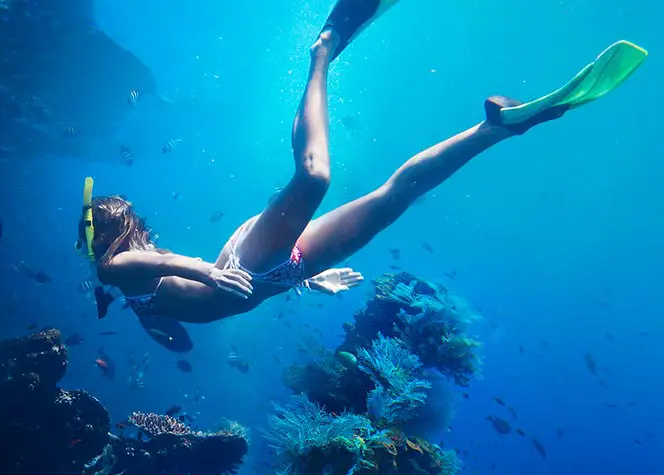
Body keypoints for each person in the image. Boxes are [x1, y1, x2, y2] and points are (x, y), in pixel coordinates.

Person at [76, 0, 646, 347]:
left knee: (315, 178)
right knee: (395, 199)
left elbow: (168, 264)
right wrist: (303, 282)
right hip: (275, 277)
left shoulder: (116, 266)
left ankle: (323, 48)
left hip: (242, 265)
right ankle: (495, 129)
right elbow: (175, 326)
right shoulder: (125, 289)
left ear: (102, 235)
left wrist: (209, 275)